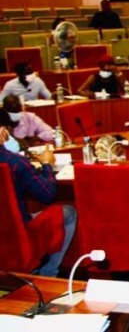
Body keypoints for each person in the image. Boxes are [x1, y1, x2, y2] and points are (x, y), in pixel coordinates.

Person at [0, 110, 76, 277]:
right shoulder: (14, 162)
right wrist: (47, 164)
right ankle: (47, 274)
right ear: (2, 131)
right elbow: (48, 195)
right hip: (18, 237)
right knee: (69, 212)